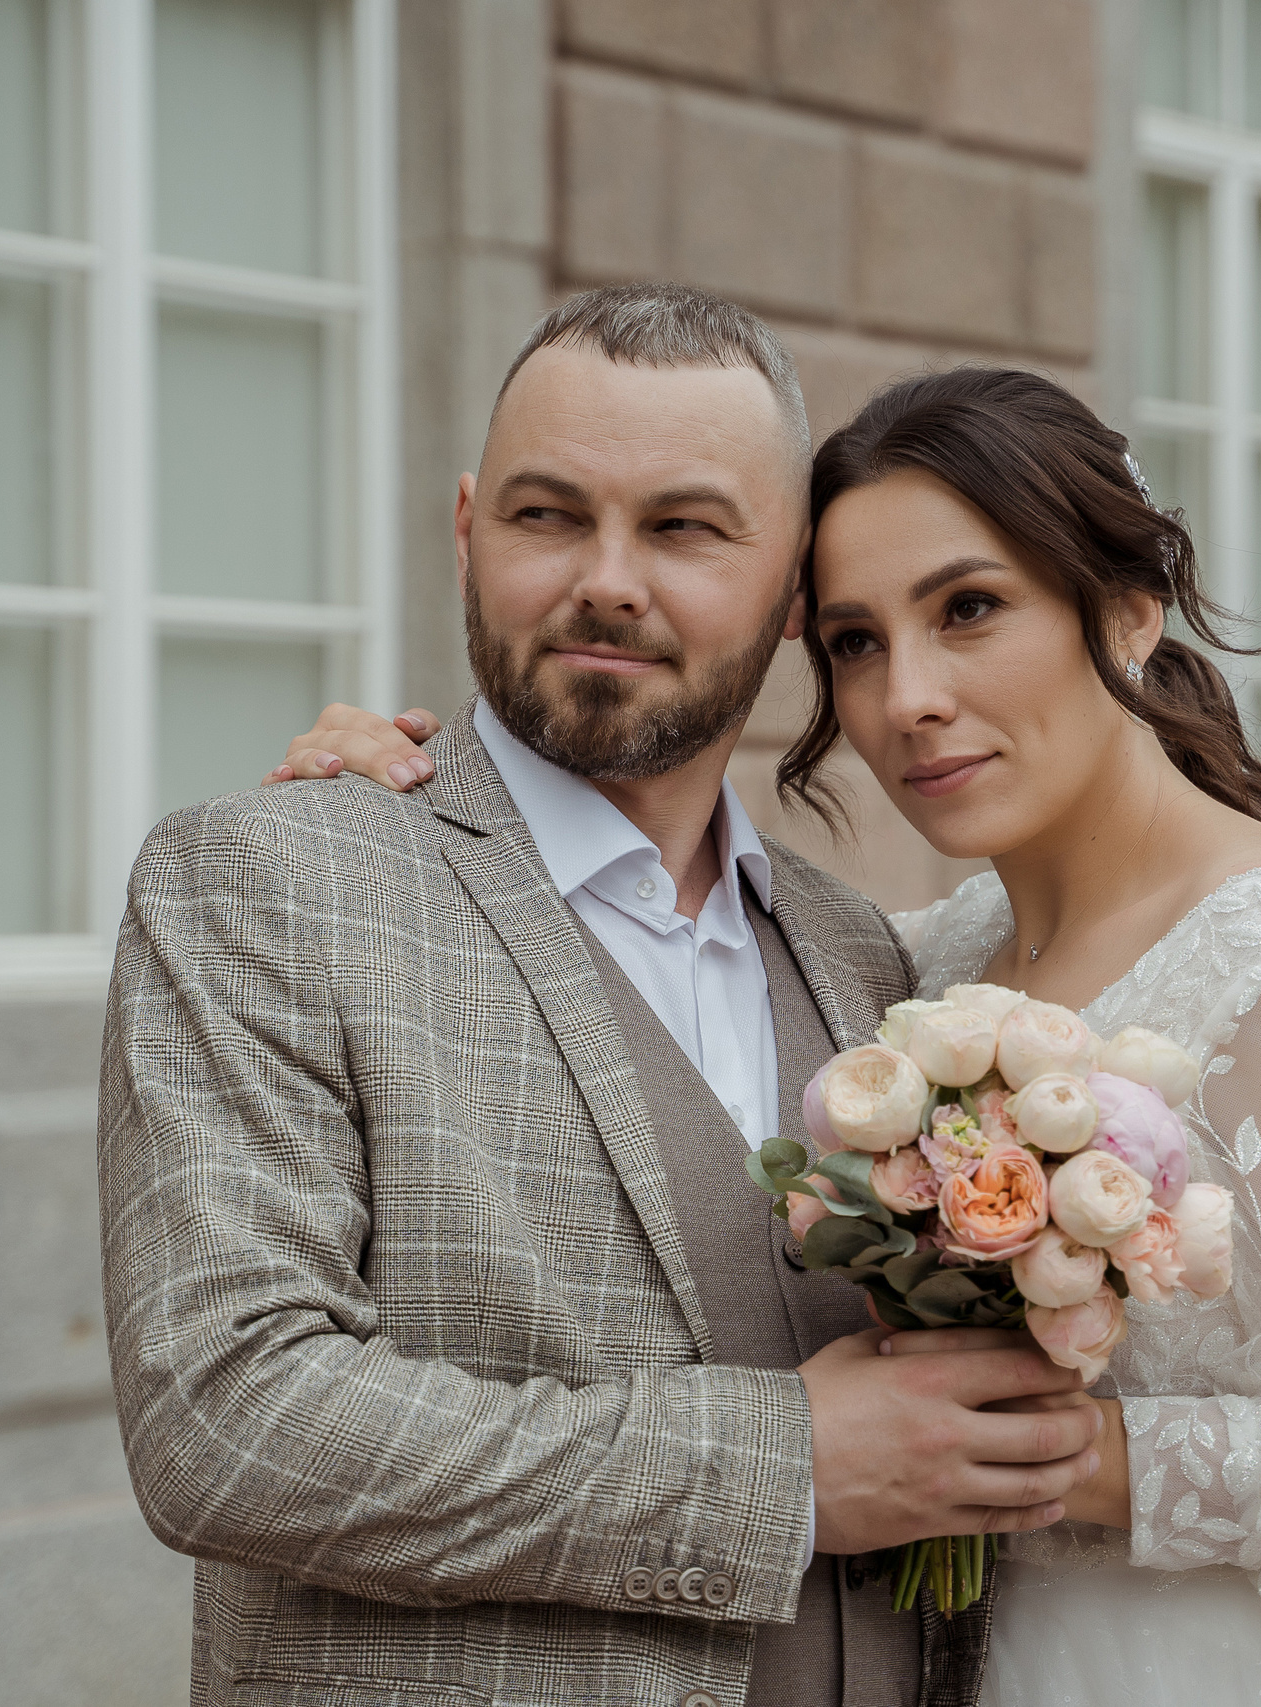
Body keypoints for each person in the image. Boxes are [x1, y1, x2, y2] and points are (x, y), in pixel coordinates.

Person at [273, 364, 1261, 1704]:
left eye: (972, 609)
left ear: (1127, 613)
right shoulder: (918, 961)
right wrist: (404, 804)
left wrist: (1092, 1463)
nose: (906, 702)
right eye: (858, 643)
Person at [100, 286, 1111, 1707]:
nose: (607, 580)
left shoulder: (876, 966)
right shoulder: (267, 880)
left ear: (791, 600)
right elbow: (231, 1423)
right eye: (545, 516)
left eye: (686, 529)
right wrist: (784, 1471)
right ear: (467, 530)